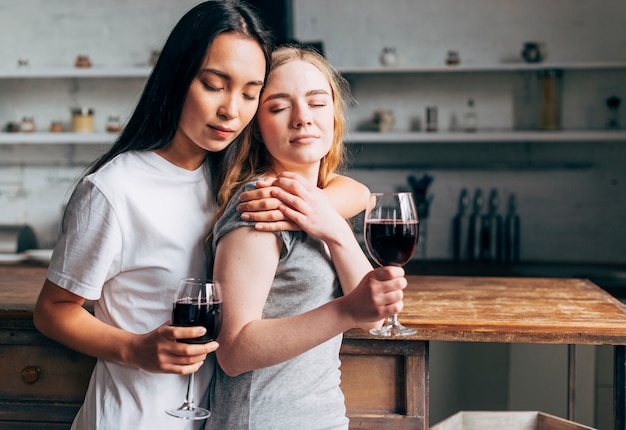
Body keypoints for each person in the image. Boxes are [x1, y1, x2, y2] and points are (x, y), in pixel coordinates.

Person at [33, 2, 368, 429]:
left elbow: (355, 191)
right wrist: (134, 349)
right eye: (214, 85)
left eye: (250, 94)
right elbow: (53, 309)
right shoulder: (115, 189)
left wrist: (310, 210)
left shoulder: (227, 175)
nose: (232, 109)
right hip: (134, 417)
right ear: (177, 77)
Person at [207, 45, 408, 429]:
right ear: (256, 126)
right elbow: (232, 351)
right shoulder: (259, 207)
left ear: (334, 114)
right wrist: (345, 311)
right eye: (279, 108)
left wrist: (331, 225)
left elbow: (374, 318)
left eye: (317, 103)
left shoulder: (319, 205)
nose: (302, 119)